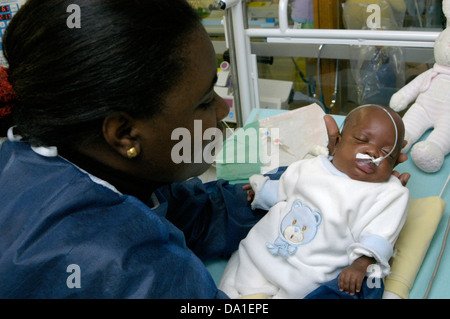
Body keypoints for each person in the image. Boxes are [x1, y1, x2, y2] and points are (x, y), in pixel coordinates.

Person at [0, 0, 352, 299]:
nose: (224, 110)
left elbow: (192, 214)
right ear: (125, 134)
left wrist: (315, 181)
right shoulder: (124, 267)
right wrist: (355, 283)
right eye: (203, 101)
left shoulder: (67, 152)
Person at [218, 104, 410, 299]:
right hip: (264, 249)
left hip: (310, 273)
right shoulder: (312, 166)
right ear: (339, 141)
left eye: (387, 153)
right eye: (362, 140)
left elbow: (380, 234)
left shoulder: (388, 193)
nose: (373, 153)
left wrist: (361, 264)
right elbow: (286, 188)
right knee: (238, 276)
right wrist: (262, 191)